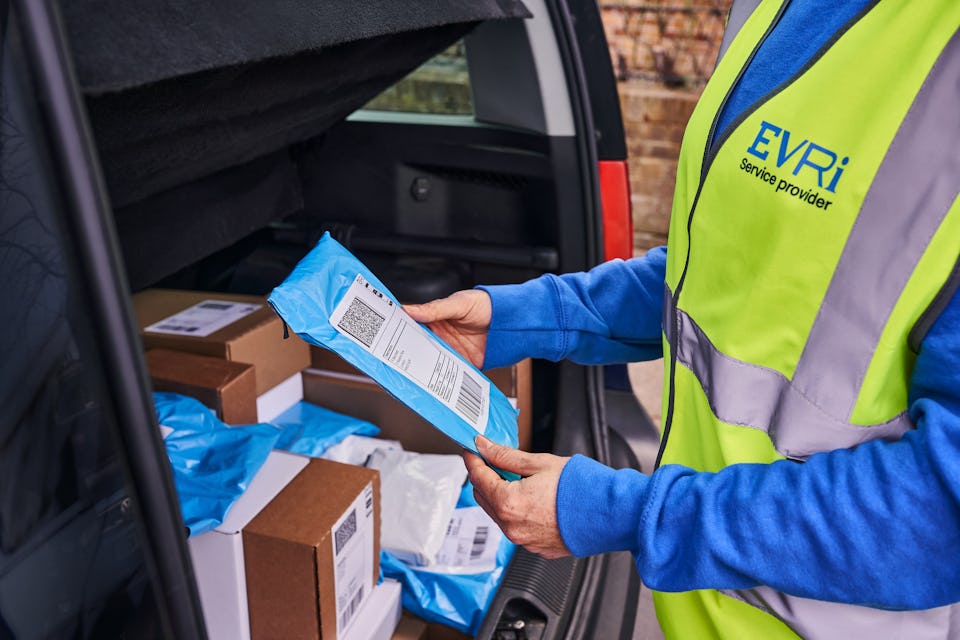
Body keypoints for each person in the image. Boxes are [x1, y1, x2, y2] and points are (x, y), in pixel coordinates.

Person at [405, 1, 960, 637]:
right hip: (695, 611)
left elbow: (944, 512)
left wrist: (630, 515)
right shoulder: (769, 7)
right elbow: (731, 271)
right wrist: (519, 316)